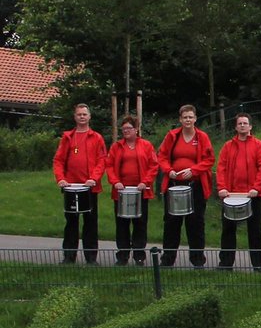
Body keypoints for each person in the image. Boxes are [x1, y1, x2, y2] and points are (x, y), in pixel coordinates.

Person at [157, 104, 214, 268]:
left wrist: (194, 170)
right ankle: (167, 260)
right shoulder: (172, 136)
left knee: (195, 223)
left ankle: (197, 260)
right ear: (180, 119)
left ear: (195, 119)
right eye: (185, 117)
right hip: (174, 185)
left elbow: (209, 160)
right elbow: (162, 156)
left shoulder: (202, 137)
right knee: (171, 223)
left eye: (190, 117)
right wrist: (168, 170)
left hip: (195, 186)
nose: (188, 120)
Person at [52, 103, 107, 264]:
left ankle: (91, 258)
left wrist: (94, 179)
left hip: (89, 188)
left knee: (90, 223)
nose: (82, 117)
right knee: (71, 223)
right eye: (79, 114)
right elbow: (58, 160)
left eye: (84, 114)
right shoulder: (68, 137)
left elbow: (102, 160)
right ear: (75, 117)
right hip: (71, 188)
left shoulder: (97, 137)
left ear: (89, 117)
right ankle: (69, 257)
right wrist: (61, 179)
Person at [216, 113, 261, 271]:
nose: (242, 125)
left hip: (252, 196)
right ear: (236, 127)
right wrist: (222, 187)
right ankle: (225, 264)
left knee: (255, 231)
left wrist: (256, 188)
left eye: (245, 123)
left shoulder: (258, 145)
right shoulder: (228, 146)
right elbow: (221, 168)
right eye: (239, 123)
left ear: (250, 126)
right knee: (228, 230)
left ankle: (259, 265)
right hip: (231, 196)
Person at [105, 115, 156, 266]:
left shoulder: (146, 145)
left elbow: (153, 165)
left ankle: (139, 255)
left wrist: (145, 182)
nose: (126, 131)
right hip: (121, 192)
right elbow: (109, 165)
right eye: (124, 128)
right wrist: (115, 182)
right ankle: (122, 255)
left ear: (136, 129)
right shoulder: (116, 147)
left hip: (140, 191)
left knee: (140, 224)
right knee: (122, 224)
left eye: (129, 128)